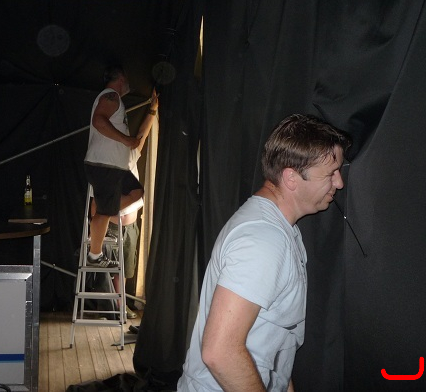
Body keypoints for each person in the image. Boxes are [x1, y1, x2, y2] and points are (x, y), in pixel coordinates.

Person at [178, 114, 351, 392]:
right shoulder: (264, 239)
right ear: (291, 178)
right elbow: (219, 352)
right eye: (331, 173)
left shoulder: (281, 230)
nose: (339, 183)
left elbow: (277, 344)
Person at [84, 65, 156, 268]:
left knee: (136, 191)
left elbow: (139, 135)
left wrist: (152, 111)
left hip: (114, 167)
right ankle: (95, 255)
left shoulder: (114, 100)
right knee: (104, 211)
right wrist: (125, 140)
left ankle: (102, 212)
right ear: (121, 78)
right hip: (105, 165)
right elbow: (99, 121)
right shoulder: (111, 96)